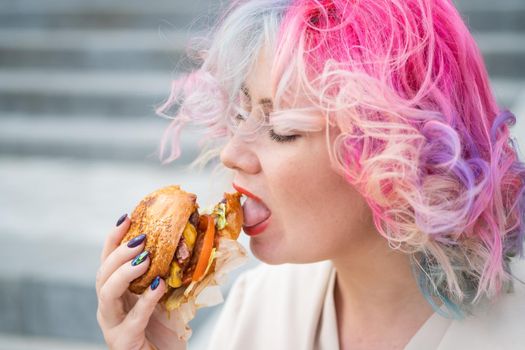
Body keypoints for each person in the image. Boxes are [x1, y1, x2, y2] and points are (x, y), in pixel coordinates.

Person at [96, 0, 525, 349]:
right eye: (241, 114)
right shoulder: (260, 306)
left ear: (398, 156)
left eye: (281, 129)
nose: (230, 154)